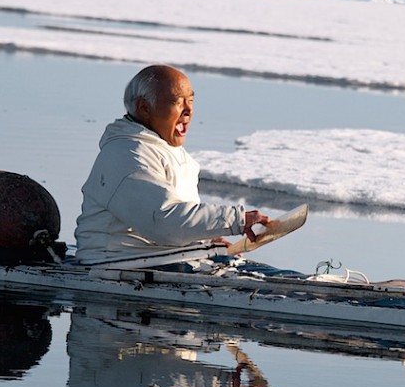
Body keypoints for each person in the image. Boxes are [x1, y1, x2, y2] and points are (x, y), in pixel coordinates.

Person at [75, 64, 270, 266]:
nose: (188, 110)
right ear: (144, 108)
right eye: (177, 102)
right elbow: (163, 222)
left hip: (161, 260)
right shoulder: (126, 155)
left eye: (191, 101)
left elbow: (177, 221)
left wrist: (204, 240)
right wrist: (235, 220)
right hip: (116, 263)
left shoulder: (170, 152)